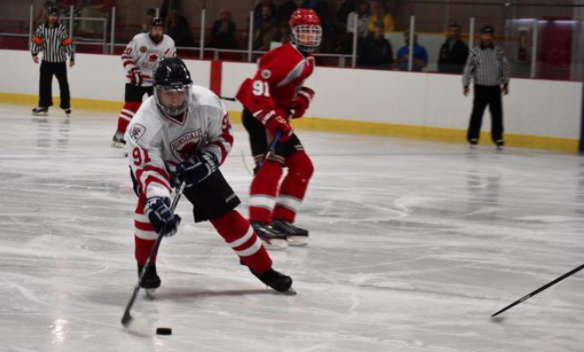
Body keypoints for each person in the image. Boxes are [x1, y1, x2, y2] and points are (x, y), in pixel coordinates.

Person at [124, 57, 294, 295]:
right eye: (167, 93)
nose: (174, 99)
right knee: (148, 211)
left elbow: (223, 138)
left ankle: (264, 269)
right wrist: (156, 199)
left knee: (225, 215)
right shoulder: (142, 125)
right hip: (160, 167)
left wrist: (208, 160)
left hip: (197, 160)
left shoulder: (207, 103)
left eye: (180, 91)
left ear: (188, 89)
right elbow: (149, 170)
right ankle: (146, 268)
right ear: (156, 91)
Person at [236, 9, 321, 249]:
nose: (309, 37)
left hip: (276, 116)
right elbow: (258, 90)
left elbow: (282, 94)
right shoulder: (285, 57)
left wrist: (298, 100)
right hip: (260, 115)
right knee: (270, 165)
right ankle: (258, 222)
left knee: (302, 166)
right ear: (293, 34)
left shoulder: (308, 60)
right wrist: (273, 117)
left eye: (313, 31)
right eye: (304, 32)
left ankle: (282, 219)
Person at [111, 18, 176, 148]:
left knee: (161, 109)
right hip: (136, 79)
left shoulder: (169, 42)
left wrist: (167, 76)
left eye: (160, 29)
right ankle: (118, 135)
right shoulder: (138, 39)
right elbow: (126, 56)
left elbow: (170, 62)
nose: (157, 32)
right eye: (155, 29)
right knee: (132, 106)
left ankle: (161, 139)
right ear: (149, 29)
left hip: (155, 81)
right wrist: (133, 70)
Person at [462, 25, 510, 149]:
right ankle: (473, 136)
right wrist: (466, 84)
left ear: (492, 36)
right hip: (480, 87)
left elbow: (505, 67)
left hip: (494, 87)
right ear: (481, 36)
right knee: (477, 113)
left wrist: (505, 83)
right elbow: (468, 68)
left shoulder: (499, 51)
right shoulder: (475, 51)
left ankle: (498, 137)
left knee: (497, 114)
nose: (487, 37)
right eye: (485, 35)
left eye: (490, 35)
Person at [30, 6, 75, 117]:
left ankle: (66, 106)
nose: (53, 18)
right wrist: (34, 54)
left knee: (63, 84)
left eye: (55, 16)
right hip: (46, 61)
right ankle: (43, 105)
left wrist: (72, 57)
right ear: (48, 16)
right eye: (51, 15)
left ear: (57, 17)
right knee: (44, 84)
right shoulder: (41, 28)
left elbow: (67, 43)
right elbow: (35, 40)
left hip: (60, 62)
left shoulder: (61, 29)